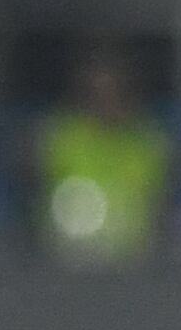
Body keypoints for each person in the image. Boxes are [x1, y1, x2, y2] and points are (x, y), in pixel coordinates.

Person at [33, 37, 171, 265]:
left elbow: (161, 209)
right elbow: (35, 197)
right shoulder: (60, 138)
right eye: (97, 94)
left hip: (133, 266)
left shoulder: (148, 143)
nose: (106, 103)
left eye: (115, 93)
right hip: (67, 263)